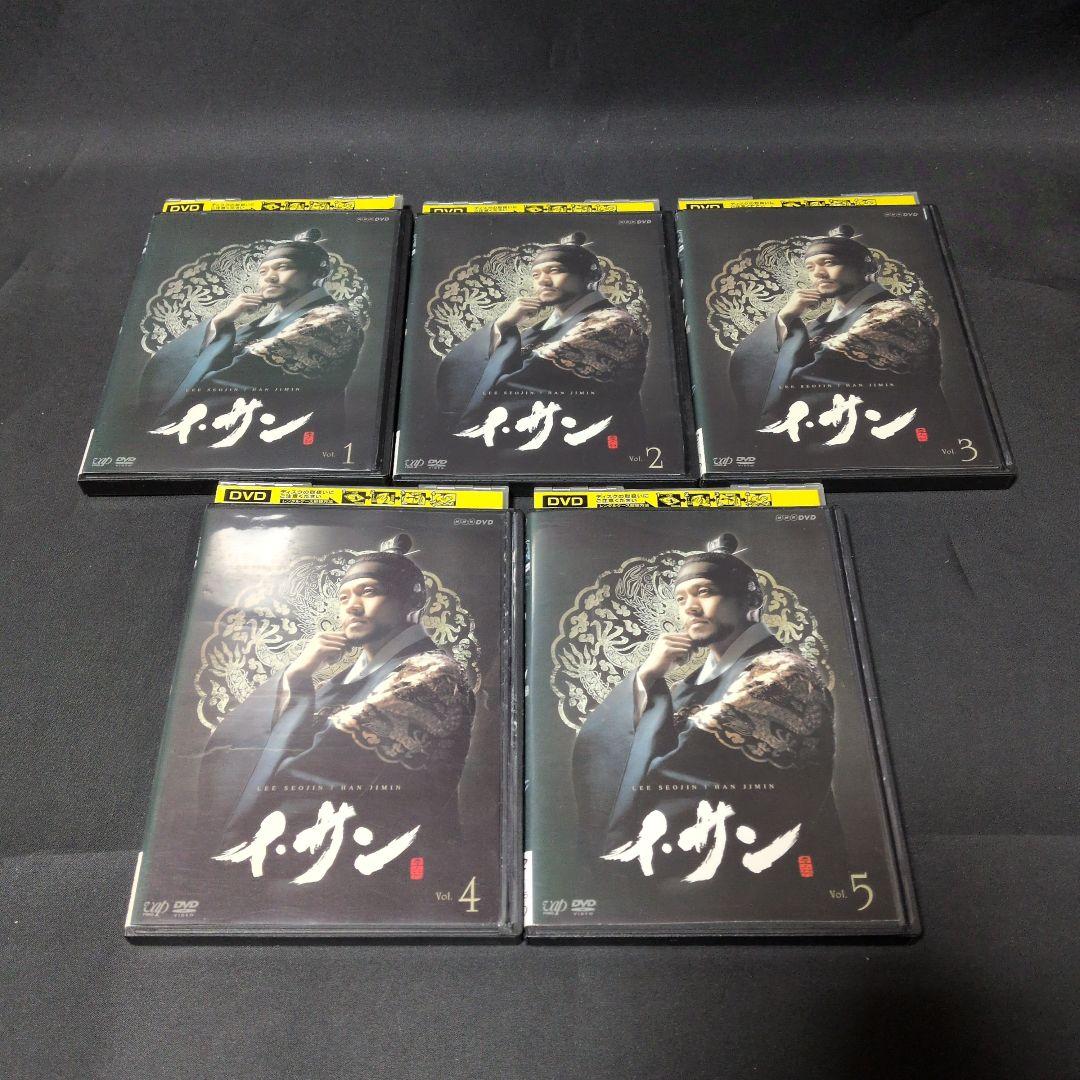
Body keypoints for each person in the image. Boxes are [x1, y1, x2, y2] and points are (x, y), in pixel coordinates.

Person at [572, 534, 841, 896]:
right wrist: (647, 677)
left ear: (748, 601)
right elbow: (603, 747)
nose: (691, 608)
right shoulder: (691, 683)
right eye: (682, 599)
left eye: (705, 592)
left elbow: (688, 766)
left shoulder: (782, 672)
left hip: (751, 869)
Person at [198, 533, 475, 865]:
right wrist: (296, 675)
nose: (352, 607)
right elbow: (228, 748)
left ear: (410, 604)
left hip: (380, 857)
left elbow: (326, 763)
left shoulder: (431, 672)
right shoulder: (340, 680)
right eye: (344, 598)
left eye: (369, 592)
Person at [728, 225, 950, 451]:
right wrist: (785, 316)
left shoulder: (895, 315)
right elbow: (749, 364)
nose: (818, 273)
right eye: (811, 267)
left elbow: (818, 374)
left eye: (829, 262)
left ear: (861, 266)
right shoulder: (819, 323)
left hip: (884, 439)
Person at [138, 228, 362, 450]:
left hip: (282, 438)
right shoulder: (259, 324)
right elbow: (167, 366)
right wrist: (222, 320)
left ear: (315, 274)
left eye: (283, 267)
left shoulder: (332, 319)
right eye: (263, 271)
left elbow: (244, 374)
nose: (269, 277)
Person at [435, 232, 648, 458]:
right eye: (536, 275)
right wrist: (503, 324)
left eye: (555, 270)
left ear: (587, 276)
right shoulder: (540, 328)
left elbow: (524, 379)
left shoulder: (612, 323)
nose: (543, 281)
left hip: (587, 446)